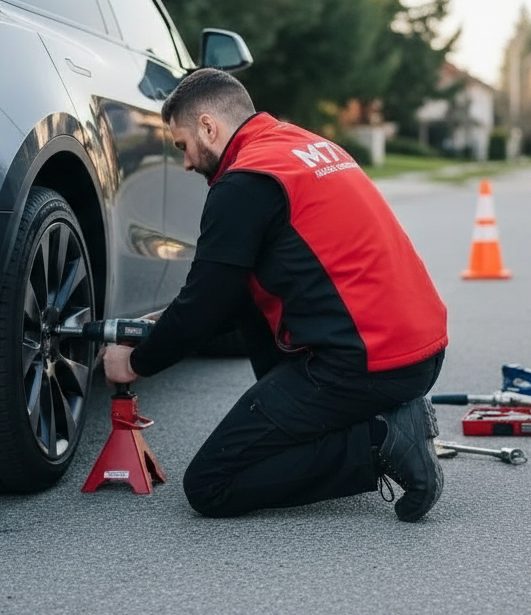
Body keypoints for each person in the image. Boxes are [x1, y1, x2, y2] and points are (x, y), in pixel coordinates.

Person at [101, 68, 449, 522]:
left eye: (183, 145)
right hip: (416, 351)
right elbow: (229, 296)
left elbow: (204, 307)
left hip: (366, 365)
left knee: (211, 484)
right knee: (249, 309)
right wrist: (158, 326)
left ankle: (380, 440)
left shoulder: (243, 182)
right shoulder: (301, 147)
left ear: (209, 126)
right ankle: (346, 424)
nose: (185, 162)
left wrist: (136, 363)